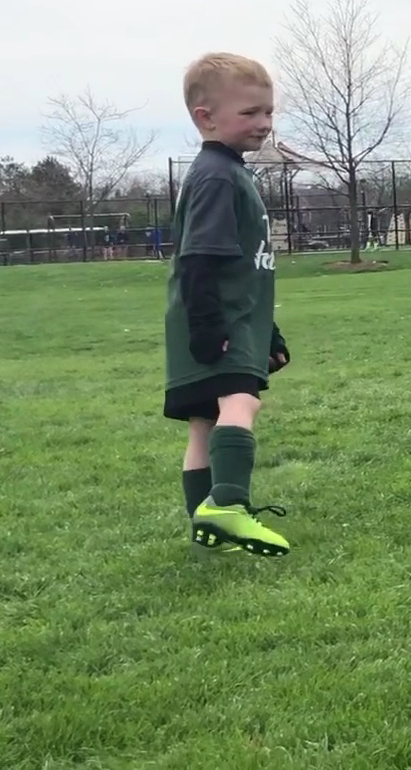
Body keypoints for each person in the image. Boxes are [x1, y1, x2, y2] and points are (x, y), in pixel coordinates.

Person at [164, 52, 291, 558]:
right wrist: (209, 325)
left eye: (269, 111)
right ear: (206, 117)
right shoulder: (217, 176)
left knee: (204, 422)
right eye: (250, 113)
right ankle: (229, 505)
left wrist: (268, 332)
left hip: (227, 319)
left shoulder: (227, 172)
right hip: (217, 319)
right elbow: (199, 259)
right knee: (242, 402)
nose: (264, 123)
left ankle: (207, 529)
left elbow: (245, 268)